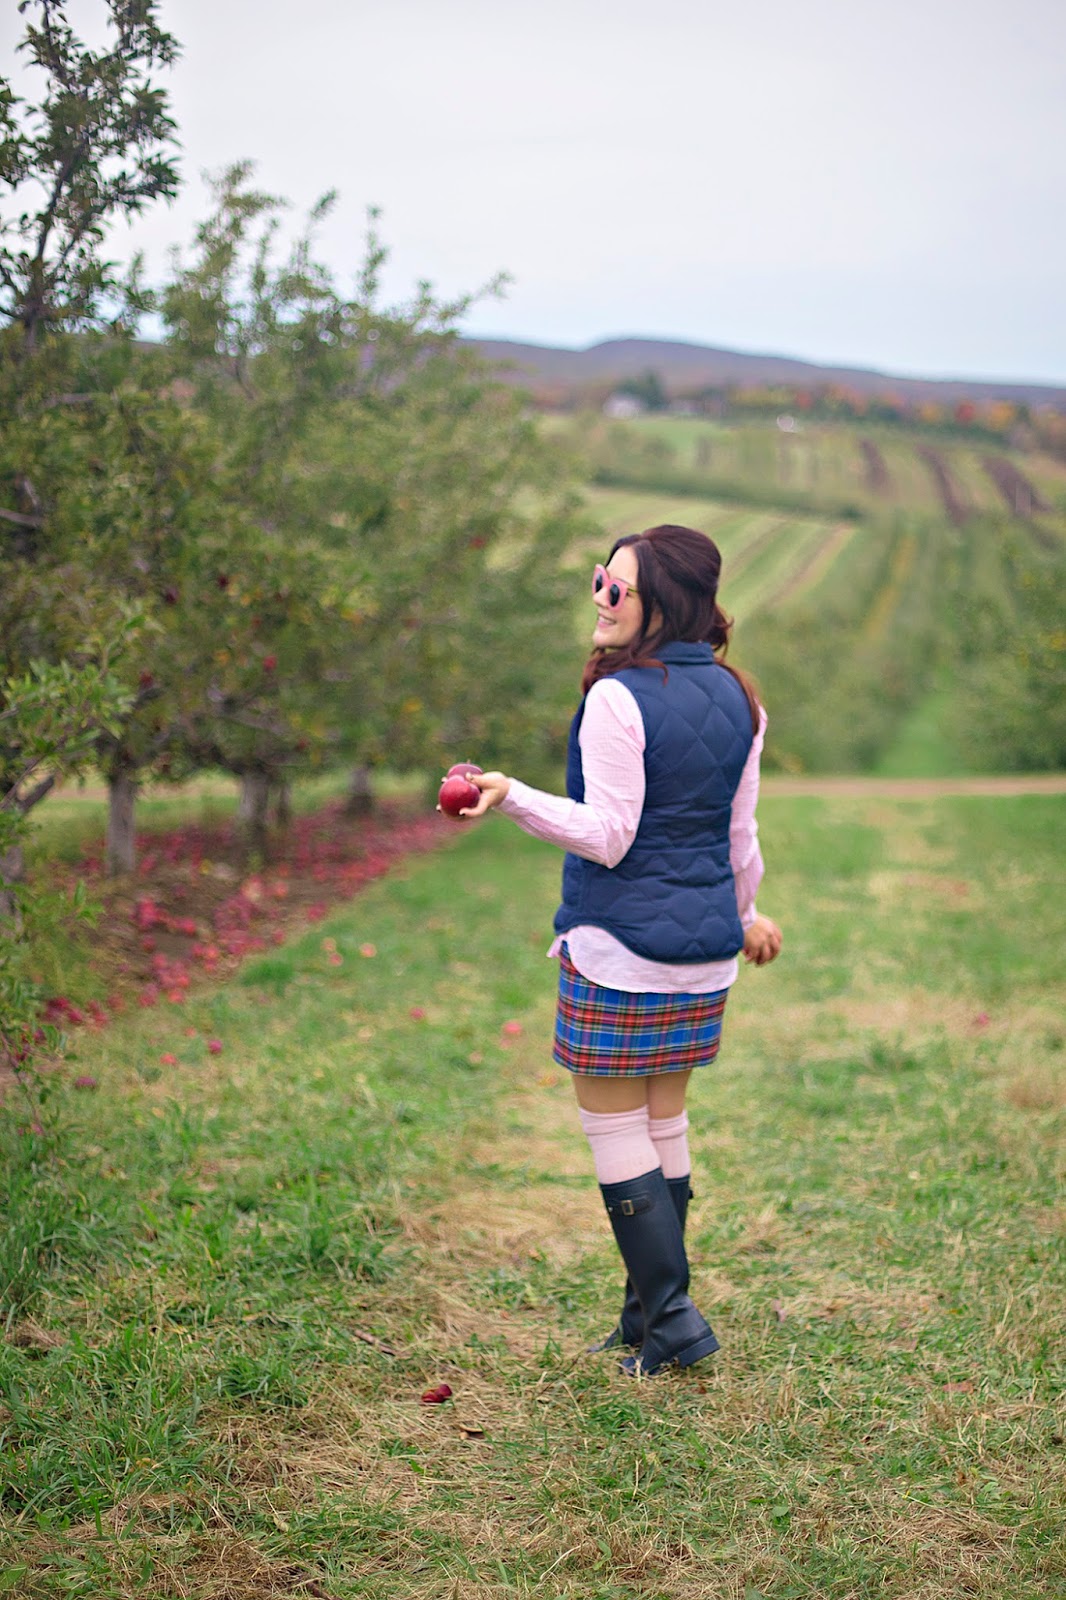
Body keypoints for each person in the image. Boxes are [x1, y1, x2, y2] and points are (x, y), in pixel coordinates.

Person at [461, 524, 782, 1377]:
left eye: (617, 588)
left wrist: (509, 794)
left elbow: (608, 836)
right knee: (662, 1122)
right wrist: (744, 914)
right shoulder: (742, 698)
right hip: (704, 954)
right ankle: (647, 1314)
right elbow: (738, 837)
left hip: (618, 950)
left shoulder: (618, 697)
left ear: (662, 605)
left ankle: (674, 1317)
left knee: (614, 1126)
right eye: (599, 580)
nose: (599, 600)